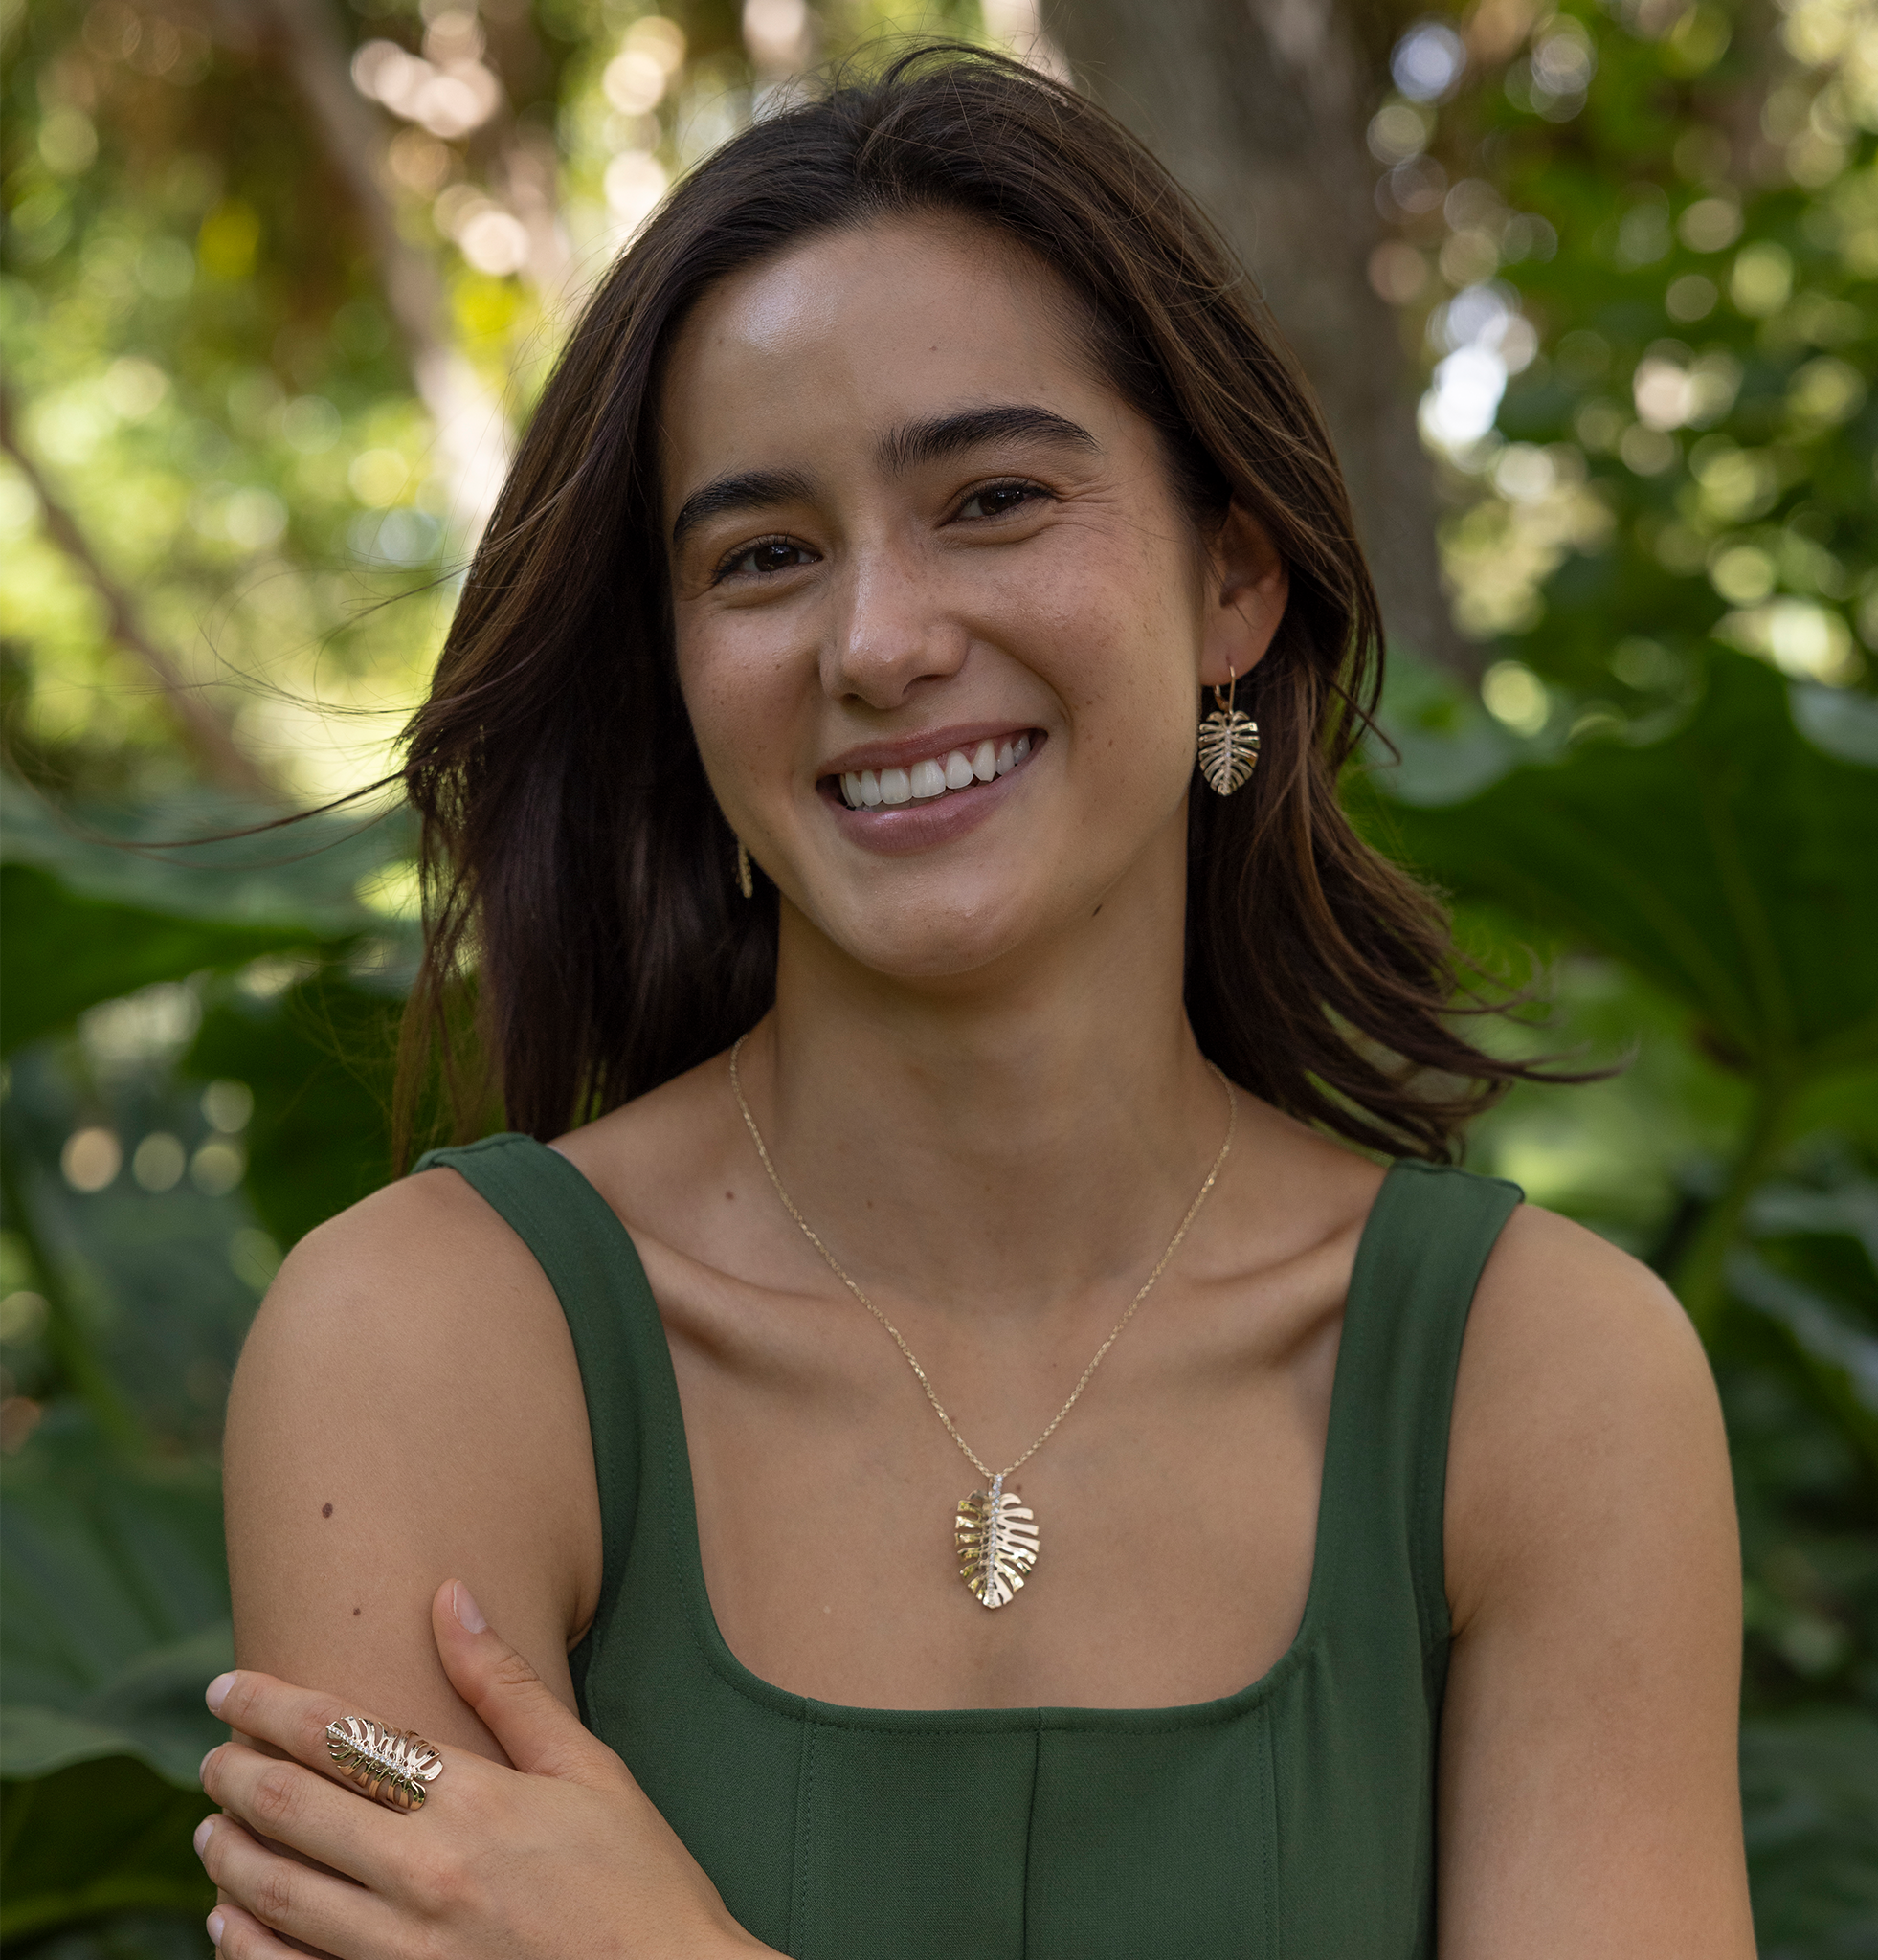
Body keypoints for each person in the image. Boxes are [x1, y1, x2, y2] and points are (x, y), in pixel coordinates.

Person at [194, 46, 1755, 1959]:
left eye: (994, 499)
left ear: (1234, 580)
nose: (877, 642)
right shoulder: (432, 1340)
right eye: (764, 556)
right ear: (679, 671)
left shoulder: (1544, 1383)